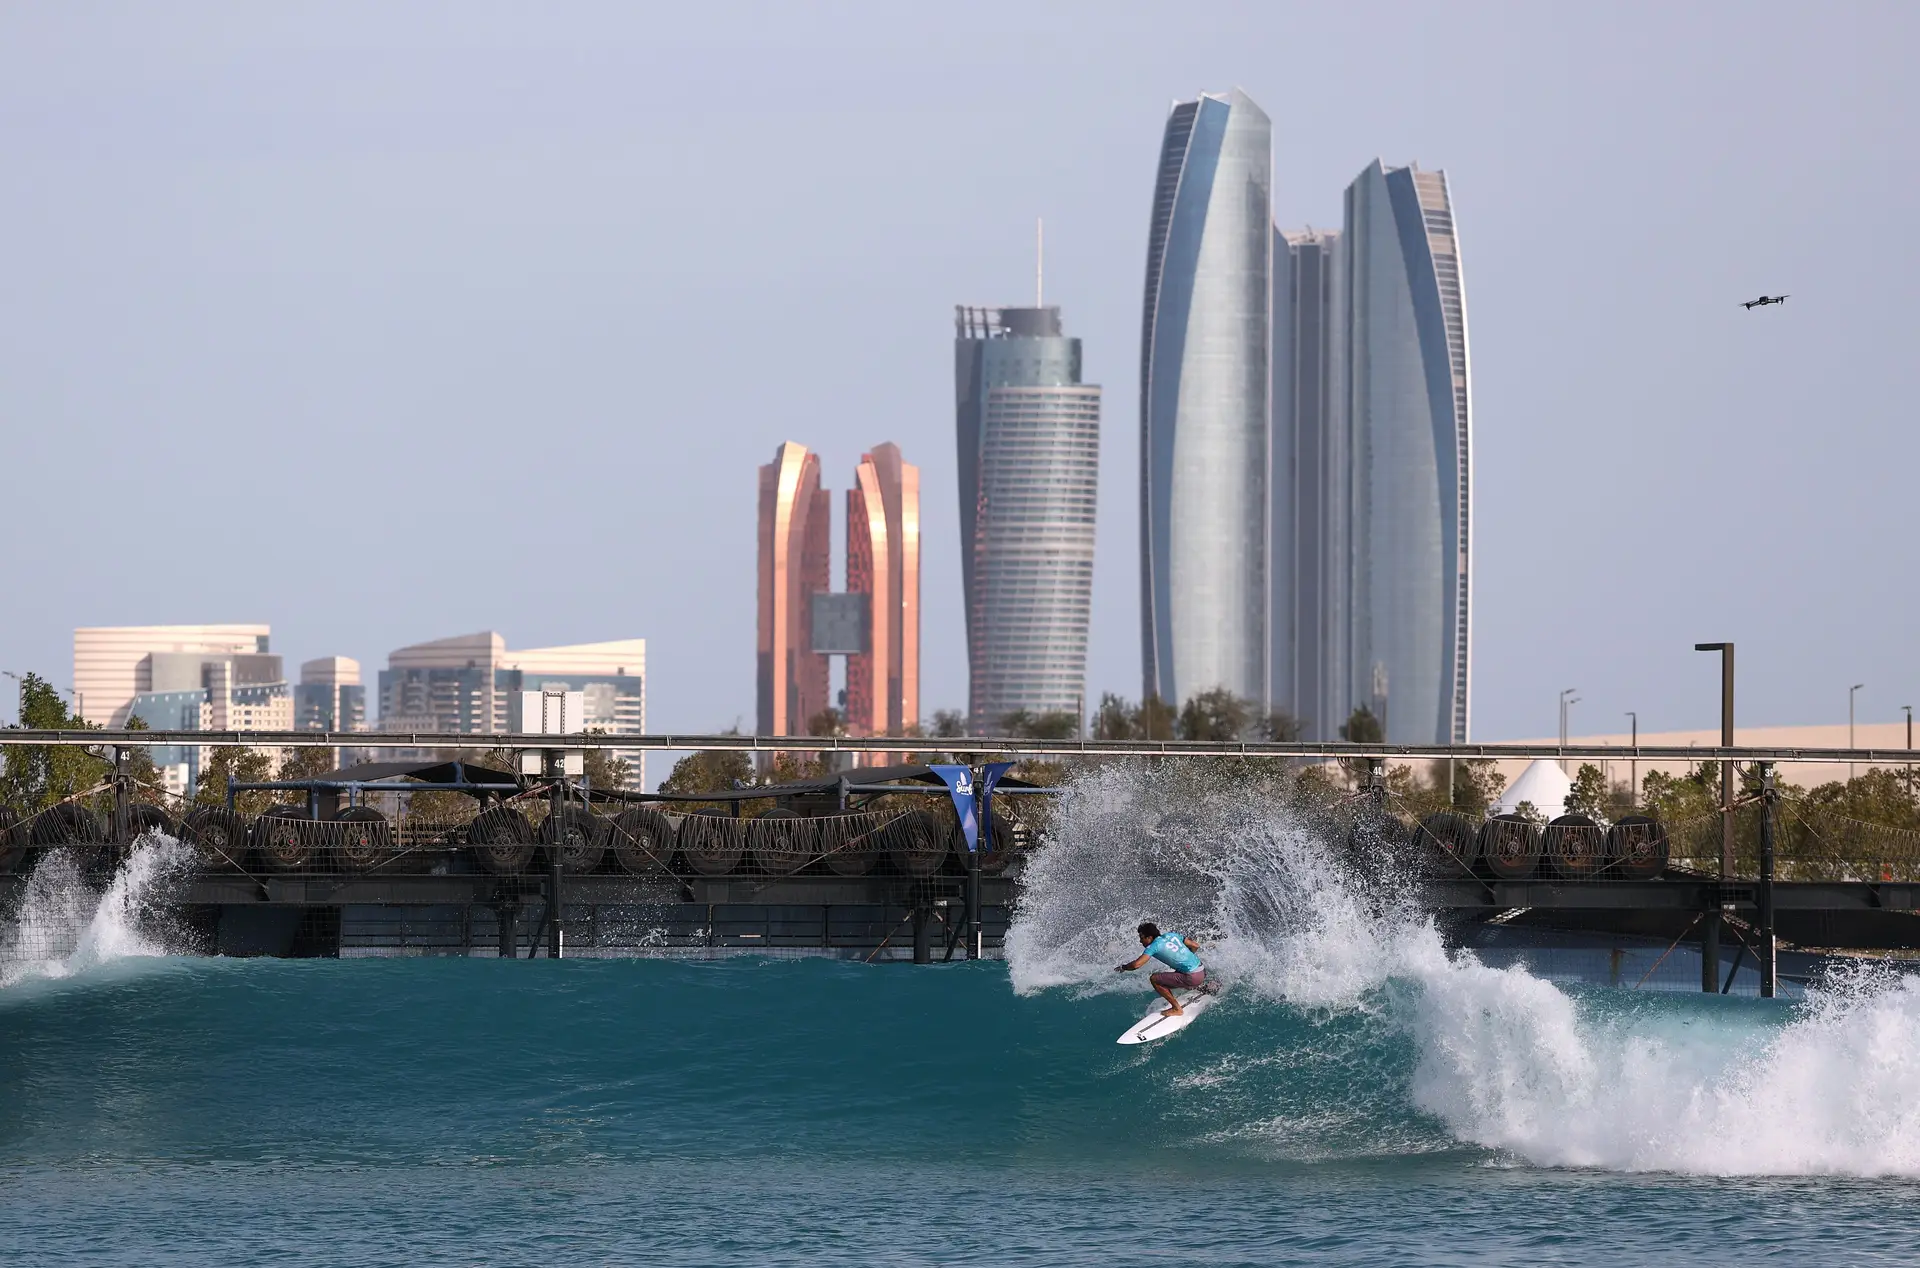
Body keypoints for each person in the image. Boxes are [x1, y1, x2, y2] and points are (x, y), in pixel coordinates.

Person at [1114, 921, 1207, 1016]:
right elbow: (1195, 945)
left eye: (1142, 938)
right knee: (1176, 972)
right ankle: (1201, 987)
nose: (1140, 941)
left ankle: (1176, 1009)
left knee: (1154, 979)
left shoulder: (1153, 946)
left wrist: (1124, 967)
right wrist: (1186, 959)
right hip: (1202, 970)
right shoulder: (1171, 935)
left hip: (1193, 977)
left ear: (1149, 937)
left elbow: (1136, 965)